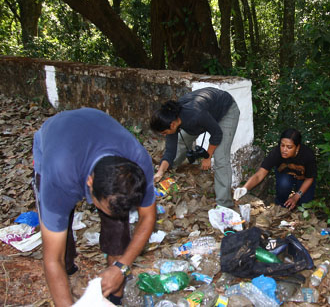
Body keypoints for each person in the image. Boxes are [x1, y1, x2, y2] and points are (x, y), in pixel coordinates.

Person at [32, 108, 156, 306]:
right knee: (60, 244)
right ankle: (70, 268)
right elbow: (51, 260)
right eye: (105, 207)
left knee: (118, 231)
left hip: (96, 129)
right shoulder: (58, 176)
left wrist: (121, 267)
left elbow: (148, 217)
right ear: (89, 182)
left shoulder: (137, 163)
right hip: (55, 141)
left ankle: (114, 296)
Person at [150, 87, 240, 208]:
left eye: (164, 133)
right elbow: (170, 150)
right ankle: (170, 170)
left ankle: (224, 204)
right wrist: (160, 172)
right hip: (204, 115)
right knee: (181, 142)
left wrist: (207, 157)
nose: (164, 135)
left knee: (221, 158)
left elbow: (216, 133)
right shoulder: (172, 118)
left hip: (225, 110)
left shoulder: (195, 115)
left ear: (172, 125)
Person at [235, 128, 317, 210]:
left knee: (305, 202)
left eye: (289, 147)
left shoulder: (307, 155)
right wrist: (244, 189)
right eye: (282, 145)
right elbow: (259, 174)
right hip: (285, 175)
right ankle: (281, 207)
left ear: (297, 147)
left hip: (304, 178)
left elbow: (310, 178)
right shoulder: (276, 153)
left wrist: (296, 196)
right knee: (283, 185)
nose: (284, 150)